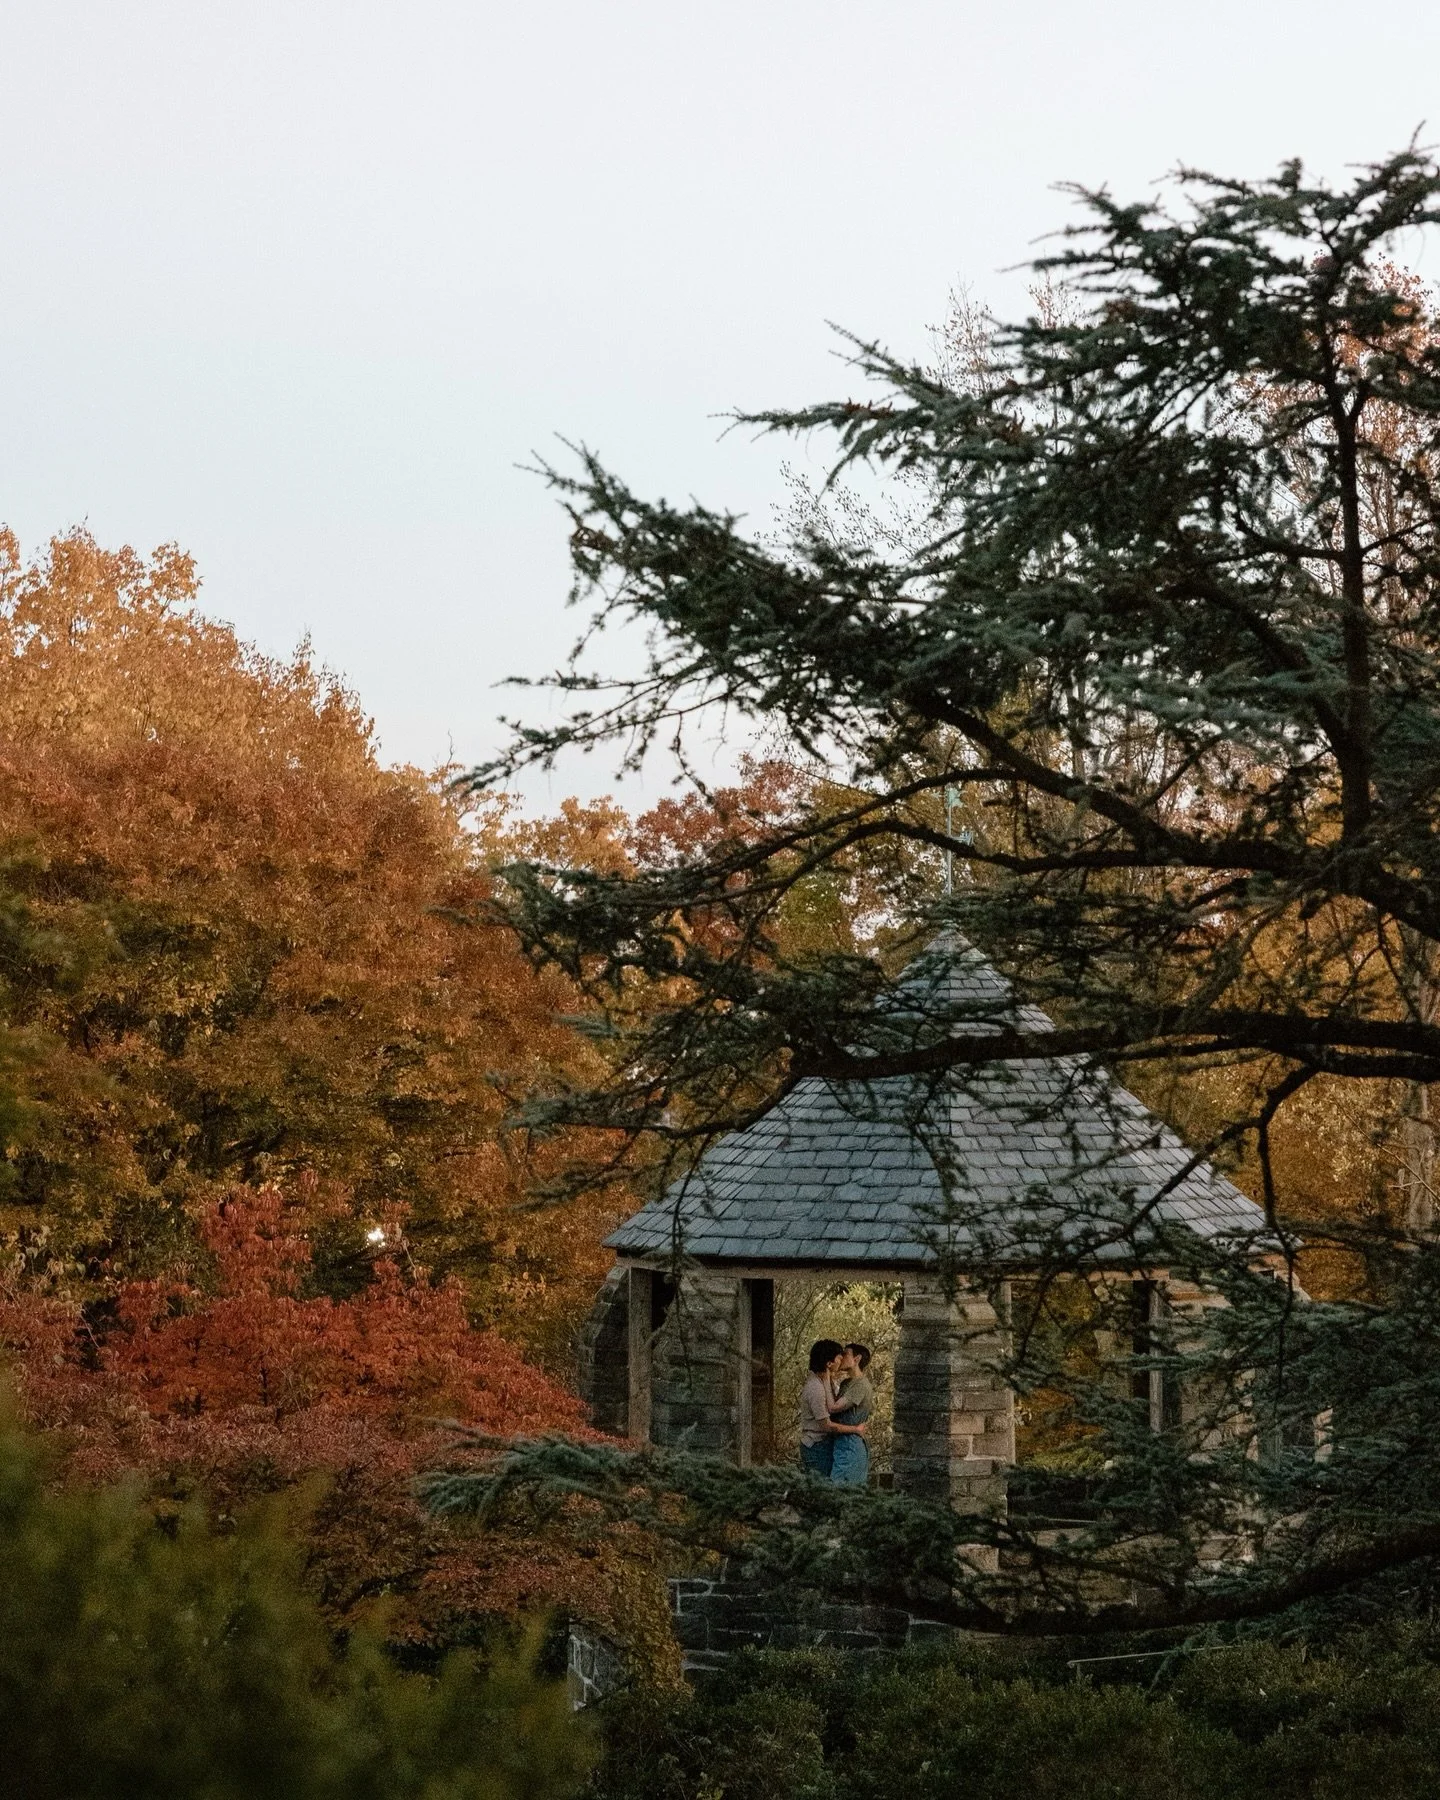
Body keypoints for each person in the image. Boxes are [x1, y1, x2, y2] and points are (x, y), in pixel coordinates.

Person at [828, 1343, 874, 1486]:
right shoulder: (847, 1383)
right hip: (842, 1442)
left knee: (842, 1491)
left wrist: (825, 1375)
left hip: (850, 1445)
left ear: (857, 1359)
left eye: (846, 1354)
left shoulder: (861, 1385)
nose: (841, 1357)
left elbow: (833, 1408)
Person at [799, 1339, 845, 1477]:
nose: (841, 1361)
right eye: (838, 1358)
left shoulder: (824, 1382)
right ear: (829, 1363)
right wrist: (855, 1429)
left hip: (822, 1445)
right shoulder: (815, 1388)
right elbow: (826, 1425)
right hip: (816, 1446)